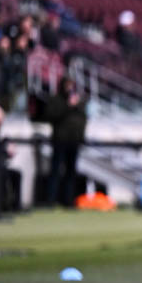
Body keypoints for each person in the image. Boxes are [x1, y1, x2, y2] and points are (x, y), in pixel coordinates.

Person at [45, 77, 87, 207]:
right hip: (60, 141)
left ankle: (68, 200)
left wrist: (81, 137)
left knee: (71, 172)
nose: (69, 88)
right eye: (67, 84)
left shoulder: (78, 101)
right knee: (55, 171)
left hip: (74, 141)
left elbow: (82, 119)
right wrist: (68, 106)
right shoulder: (56, 100)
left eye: (71, 85)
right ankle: (51, 200)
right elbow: (51, 116)